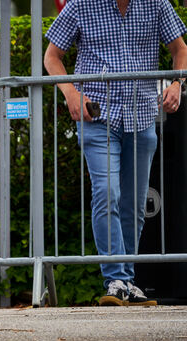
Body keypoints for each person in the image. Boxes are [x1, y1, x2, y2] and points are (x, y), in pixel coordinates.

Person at [44, 0, 187, 306]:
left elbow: (181, 49)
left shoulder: (156, 4)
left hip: (142, 116)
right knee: (106, 192)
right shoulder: (82, 5)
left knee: (134, 204)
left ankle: (127, 280)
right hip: (97, 117)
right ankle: (115, 279)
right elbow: (52, 57)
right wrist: (71, 92)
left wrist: (177, 82)